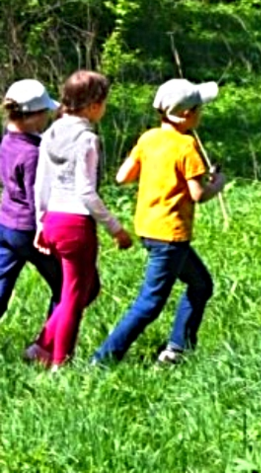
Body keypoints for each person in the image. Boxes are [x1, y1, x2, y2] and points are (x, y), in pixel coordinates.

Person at [91, 79, 226, 365]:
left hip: (148, 229)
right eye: (199, 108)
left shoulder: (149, 138)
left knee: (201, 284)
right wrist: (218, 184)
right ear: (187, 114)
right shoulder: (187, 146)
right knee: (150, 303)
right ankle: (103, 359)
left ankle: (177, 349)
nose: (201, 113)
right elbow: (198, 194)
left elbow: (122, 176)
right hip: (171, 234)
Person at [30, 71, 132, 367]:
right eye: (103, 102)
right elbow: (86, 192)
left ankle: (41, 346)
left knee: (86, 288)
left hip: (52, 221)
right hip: (75, 224)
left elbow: (40, 183)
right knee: (74, 297)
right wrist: (116, 229)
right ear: (91, 105)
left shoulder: (50, 133)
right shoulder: (87, 139)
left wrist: (40, 223)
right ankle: (60, 363)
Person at [0, 80, 62, 326]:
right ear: (33, 117)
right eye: (46, 112)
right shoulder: (33, 154)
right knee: (67, 287)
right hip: (28, 229)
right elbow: (38, 199)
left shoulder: (7, 142)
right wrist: (48, 233)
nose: (48, 116)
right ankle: (48, 346)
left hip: (5, 224)